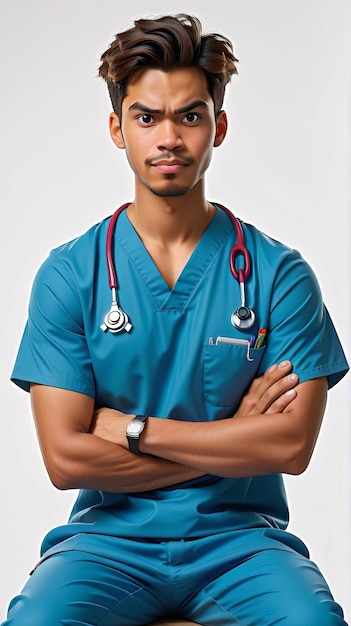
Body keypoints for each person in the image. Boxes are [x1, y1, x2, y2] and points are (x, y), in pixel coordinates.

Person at [3, 13, 349, 626]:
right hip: (106, 545)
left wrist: (132, 429)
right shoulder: (70, 275)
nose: (169, 138)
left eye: (189, 116)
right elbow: (65, 460)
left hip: (242, 544)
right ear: (118, 129)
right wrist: (233, 437)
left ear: (218, 125)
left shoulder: (278, 275)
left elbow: (292, 445)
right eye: (147, 117)